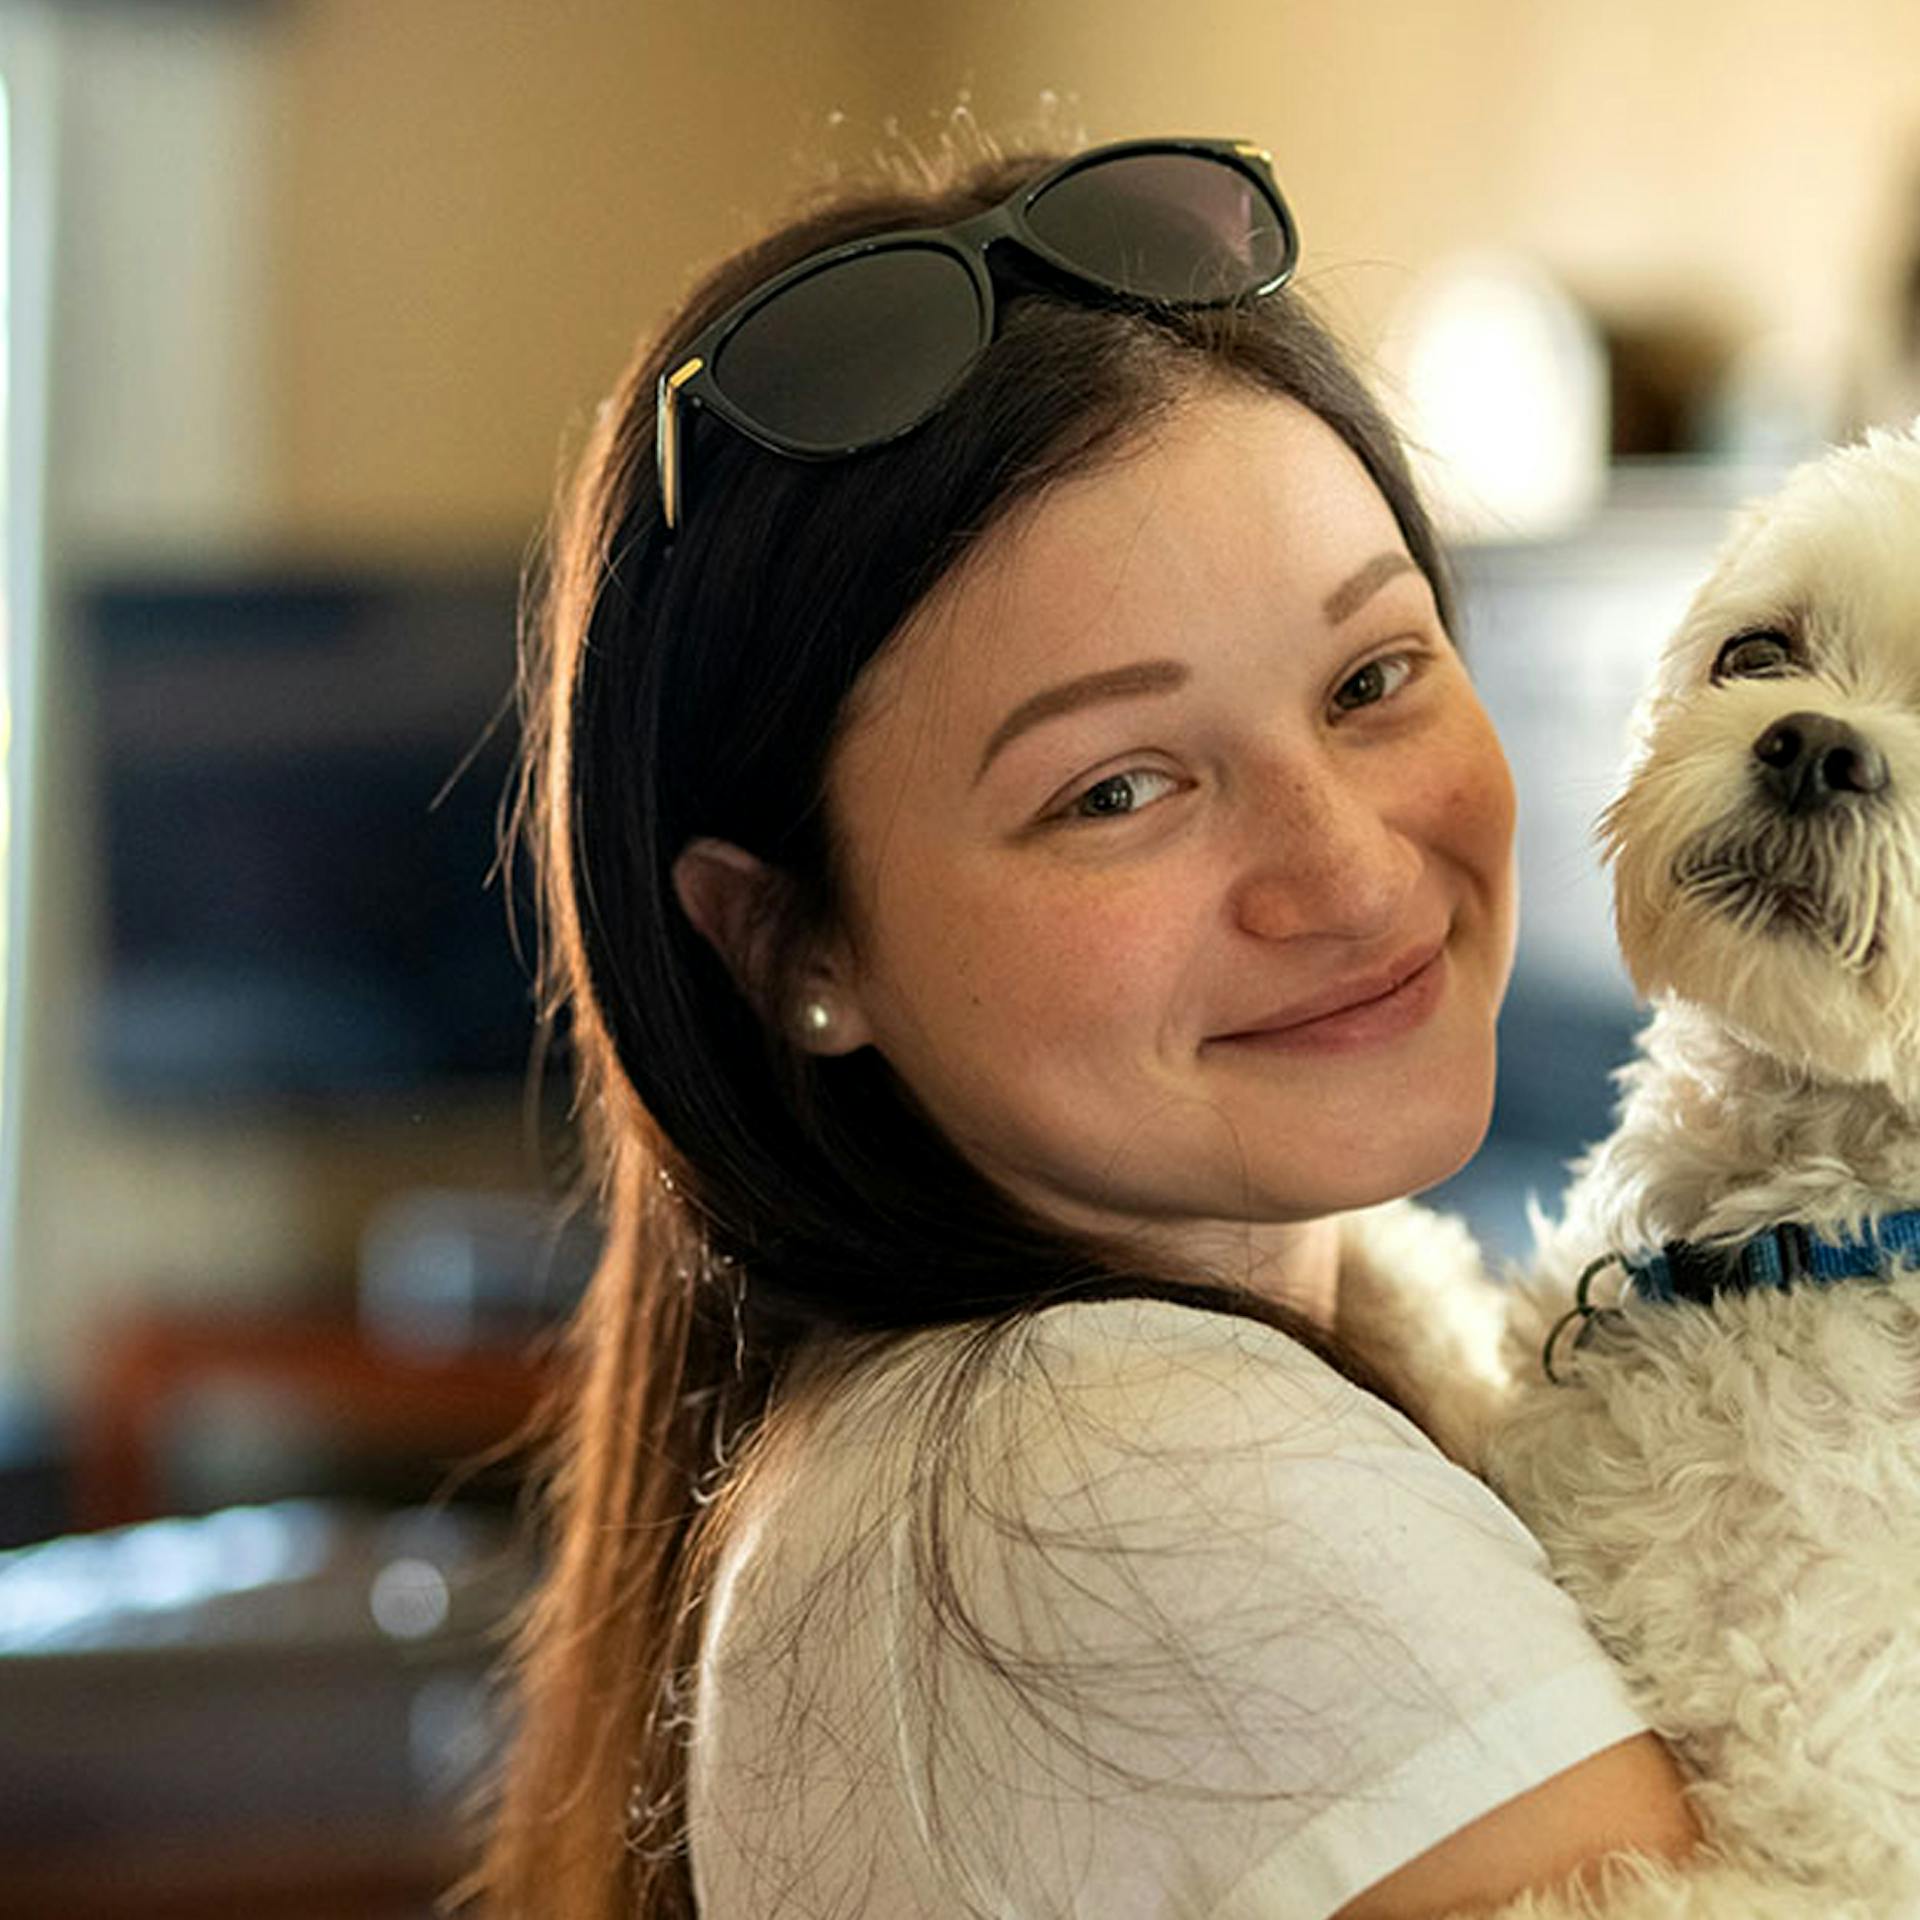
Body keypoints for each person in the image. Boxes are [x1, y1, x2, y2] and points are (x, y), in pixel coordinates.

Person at [463, 135, 1704, 1919]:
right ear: (790, 940)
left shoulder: (951, 1442)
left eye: (1372, 678)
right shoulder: (1110, 1471)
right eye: (1118, 789)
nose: (1349, 879)